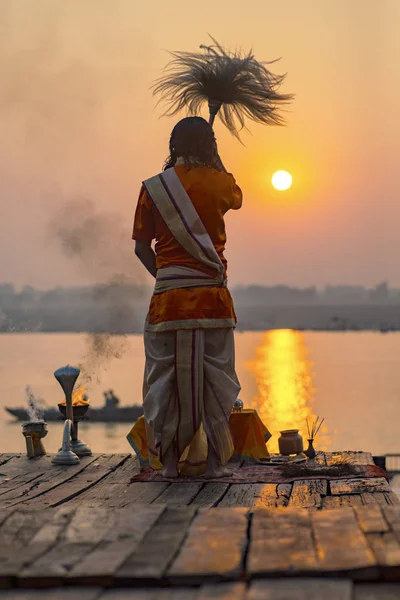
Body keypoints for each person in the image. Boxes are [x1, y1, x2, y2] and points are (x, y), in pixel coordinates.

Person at [132, 116, 242, 478]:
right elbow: (236, 198)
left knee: (165, 382)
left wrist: (168, 278)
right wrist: (216, 158)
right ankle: (212, 465)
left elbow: (141, 248)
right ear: (210, 146)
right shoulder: (221, 183)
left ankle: (167, 465)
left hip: (168, 302)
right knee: (215, 380)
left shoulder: (153, 188)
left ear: (172, 145)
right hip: (212, 300)